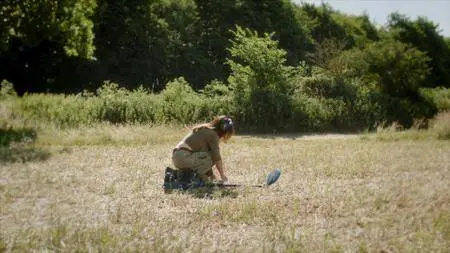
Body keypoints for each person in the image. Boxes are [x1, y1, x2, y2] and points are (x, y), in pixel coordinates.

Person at [164, 115, 235, 190]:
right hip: (183, 157)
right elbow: (216, 157)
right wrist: (222, 175)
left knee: (207, 157)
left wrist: (212, 178)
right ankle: (201, 179)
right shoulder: (212, 135)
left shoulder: (206, 130)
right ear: (223, 131)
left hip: (179, 157)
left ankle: (189, 177)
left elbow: (203, 160)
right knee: (212, 155)